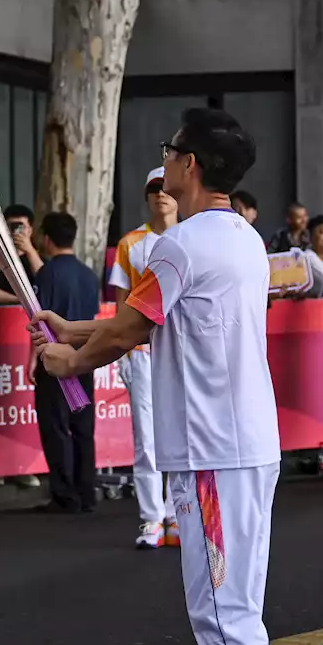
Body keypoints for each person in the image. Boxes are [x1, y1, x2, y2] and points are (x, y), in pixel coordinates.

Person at [33, 108, 301, 645]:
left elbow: (128, 330)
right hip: (237, 442)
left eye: (170, 151)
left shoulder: (179, 245)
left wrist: (69, 362)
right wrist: (75, 328)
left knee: (223, 603)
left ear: (192, 166)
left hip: (215, 445)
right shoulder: (236, 237)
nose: (165, 161)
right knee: (225, 594)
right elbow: (142, 320)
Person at [109, 167, 179, 547]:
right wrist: (121, 348)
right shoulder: (130, 243)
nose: (160, 195)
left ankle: (177, 514)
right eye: (153, 189)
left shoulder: (191, 237)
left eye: (165, 189)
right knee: (146, 439)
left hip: (182, 351)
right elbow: (122, 304)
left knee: (180, 433)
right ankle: (152, 518)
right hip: (142, 351)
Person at [33, 212, 100, 515]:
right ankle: (86, 492)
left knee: (56, 426)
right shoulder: (88, 274)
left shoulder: (47, 274)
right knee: (83, 428)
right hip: (86, 357)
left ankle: (64, 494)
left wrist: (33, 359)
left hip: (55, 360)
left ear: (46, 239)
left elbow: (38, 321)